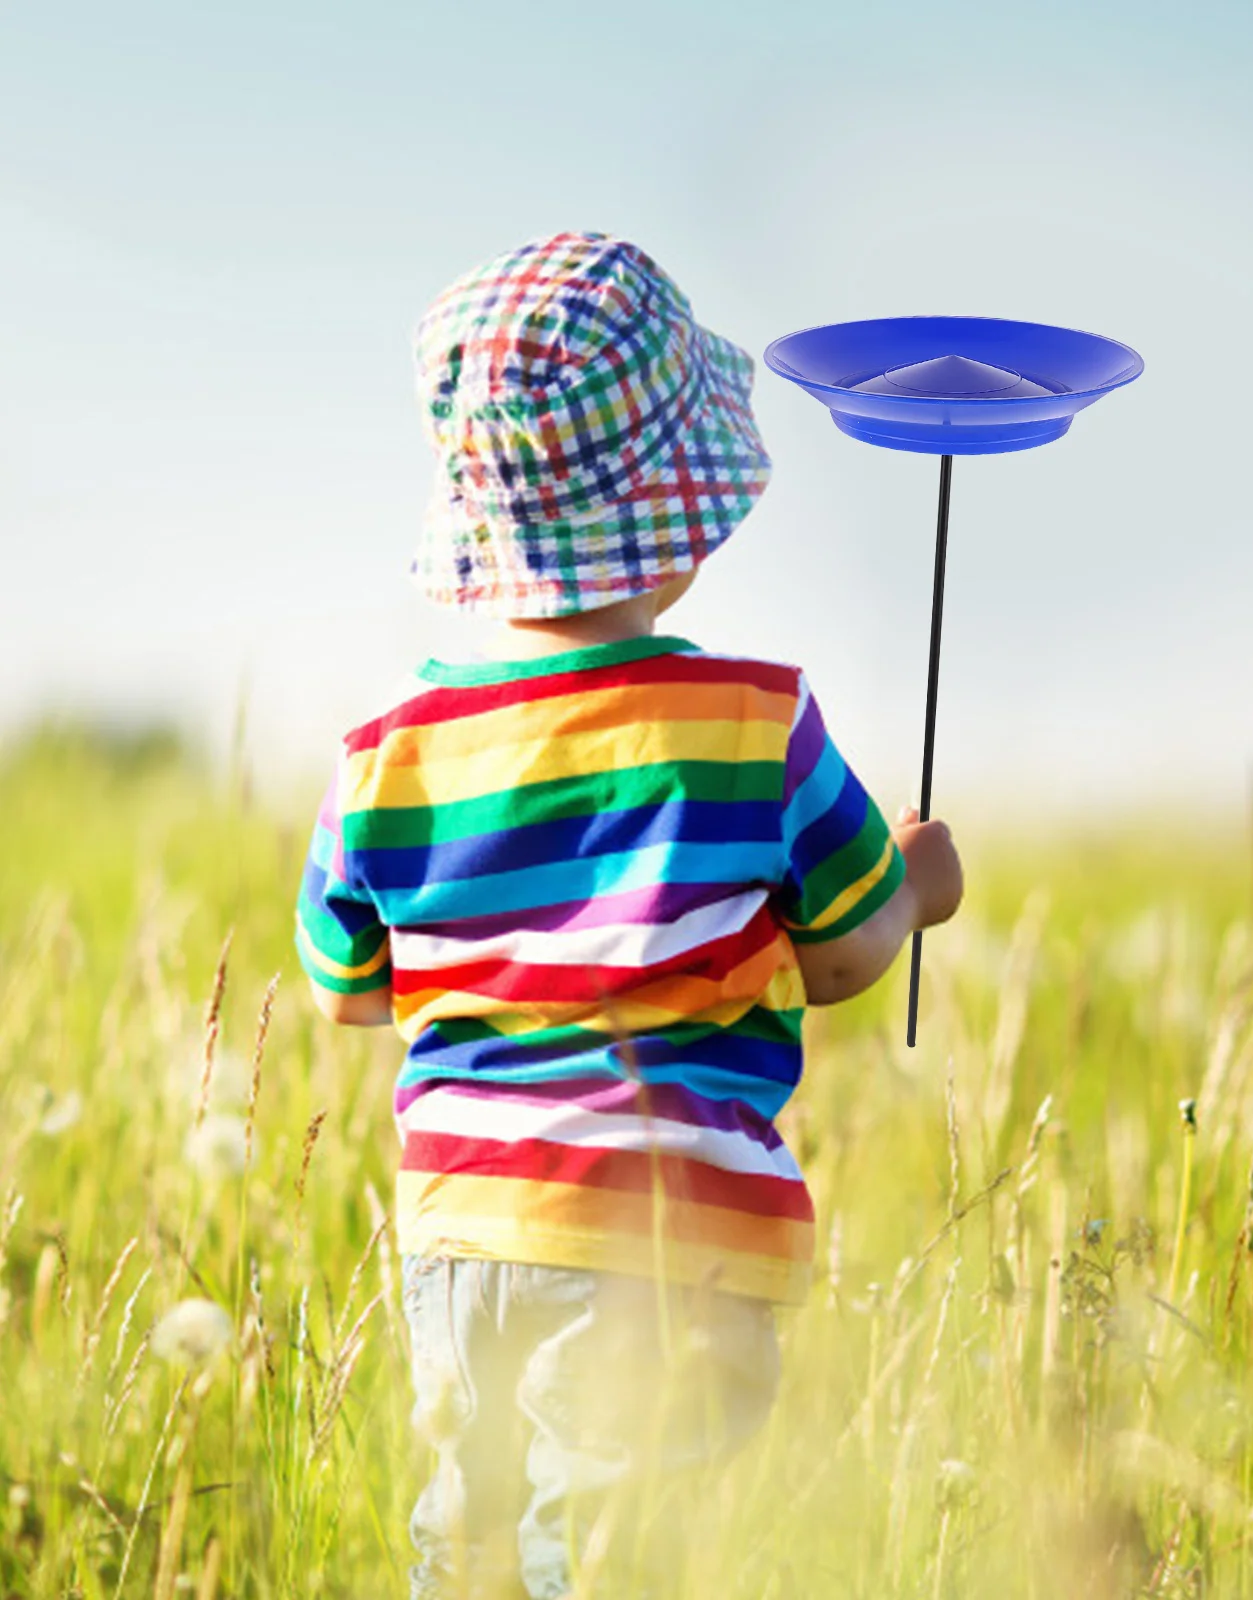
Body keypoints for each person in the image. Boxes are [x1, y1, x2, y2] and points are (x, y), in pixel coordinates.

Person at [293, 230, 964, 1599]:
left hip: (462, 1232)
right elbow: (845, 956)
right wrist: (915, 887)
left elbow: (342, 989)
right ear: (685, 515)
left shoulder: (385, 755)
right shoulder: (755, 723)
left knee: (465, 1554)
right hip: (665, 1244)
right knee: (617, 1562)